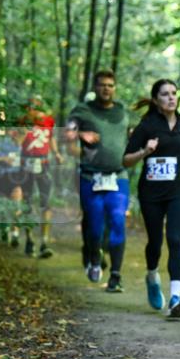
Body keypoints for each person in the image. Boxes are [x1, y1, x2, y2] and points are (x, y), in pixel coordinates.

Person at [124, 79, 180, 318]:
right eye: (165, 94)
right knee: (155, 242)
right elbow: (126, 160)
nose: (171, 97)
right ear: (155, 99)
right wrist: (145, 151)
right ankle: (152, 276)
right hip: (151, 193)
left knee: (175, 239)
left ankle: (175, 297)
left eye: (174, 93)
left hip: (178, 191)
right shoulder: (146, 127)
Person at [66, 70, 131, 292]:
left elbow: (136, 131)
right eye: (102, 85)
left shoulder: (122, 111)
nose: (106, 89)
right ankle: (93, 256)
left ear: (115, 88)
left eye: (110, 85)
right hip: (90, 177)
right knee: (95, 226)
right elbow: (66, 133)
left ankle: (115, 275)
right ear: (95, 88)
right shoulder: (82, 110)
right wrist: (80, 135)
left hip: (118, 176)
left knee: (118, 221)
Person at [19, 96, 63, 258]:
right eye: (31, 106)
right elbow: (17, 142)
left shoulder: (48, 121)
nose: (34, 109)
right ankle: (29, 239)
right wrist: (25, 130)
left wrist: (56, 153)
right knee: (27, 202)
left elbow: (51, 138)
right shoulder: (23, 121)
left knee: (46, 202)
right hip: (26, 163)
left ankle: (45, 242)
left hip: (43, 163)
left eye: (37, 105)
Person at [0, 128, 24, 247]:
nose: (13, 133)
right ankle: (4, 229)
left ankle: (15, 234)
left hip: (17, 178)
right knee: (2, 207)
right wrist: (3, 159)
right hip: (1, 178)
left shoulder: (23, 144)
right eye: (10, 130)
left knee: (16, 206)